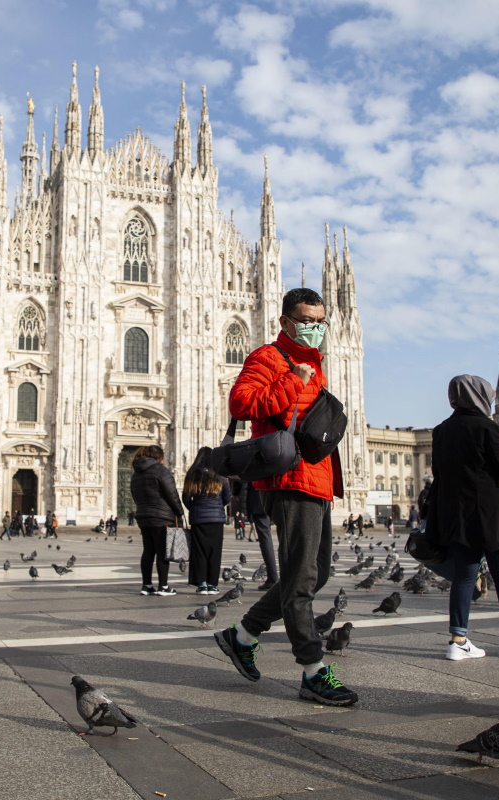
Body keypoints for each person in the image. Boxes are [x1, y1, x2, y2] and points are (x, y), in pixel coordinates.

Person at [213, 287, 357, 706]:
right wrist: (293, 380)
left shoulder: (315, 363)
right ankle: (313, 670)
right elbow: (242, 403)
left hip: (317, 480)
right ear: (285, 322)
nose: (314, 328)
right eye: (306, 321)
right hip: (289, 481)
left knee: (318, 573)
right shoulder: (269, 358)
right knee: (301, 580)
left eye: (320, 322)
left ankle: (241, 636)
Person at [430, 375, 499, 661]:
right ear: (481, 396)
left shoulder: (441, 431)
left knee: (464, 578)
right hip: (492, 515)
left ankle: (458, 640)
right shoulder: (487, 427)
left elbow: (439, 474)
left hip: (458, 517)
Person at [130, 444, 184, 596]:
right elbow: (172, 494)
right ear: (159, 457)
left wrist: (143, 508)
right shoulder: (161, 470)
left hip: (143, 516)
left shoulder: (136, 473)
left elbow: (134, 494)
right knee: (162, 552)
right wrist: (179, 512)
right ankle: (163, 586)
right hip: (161, 517)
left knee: (148, 551)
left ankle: (147, 585)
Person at [181, 447, 231, 595]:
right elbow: (227, 497)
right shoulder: (219, 475)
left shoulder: (192, 475)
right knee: (214, 552)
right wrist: (217, 507)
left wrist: (195, 508)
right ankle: (212, 584)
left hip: (198, 519)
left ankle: (202, 584)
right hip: (216, 519)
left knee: (199, 552)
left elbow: (185, 498)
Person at [247, 485, 279, 592]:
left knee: (265, 539)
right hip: (276, 496)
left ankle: (273, 578)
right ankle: (288, 578)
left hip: (259, 498)